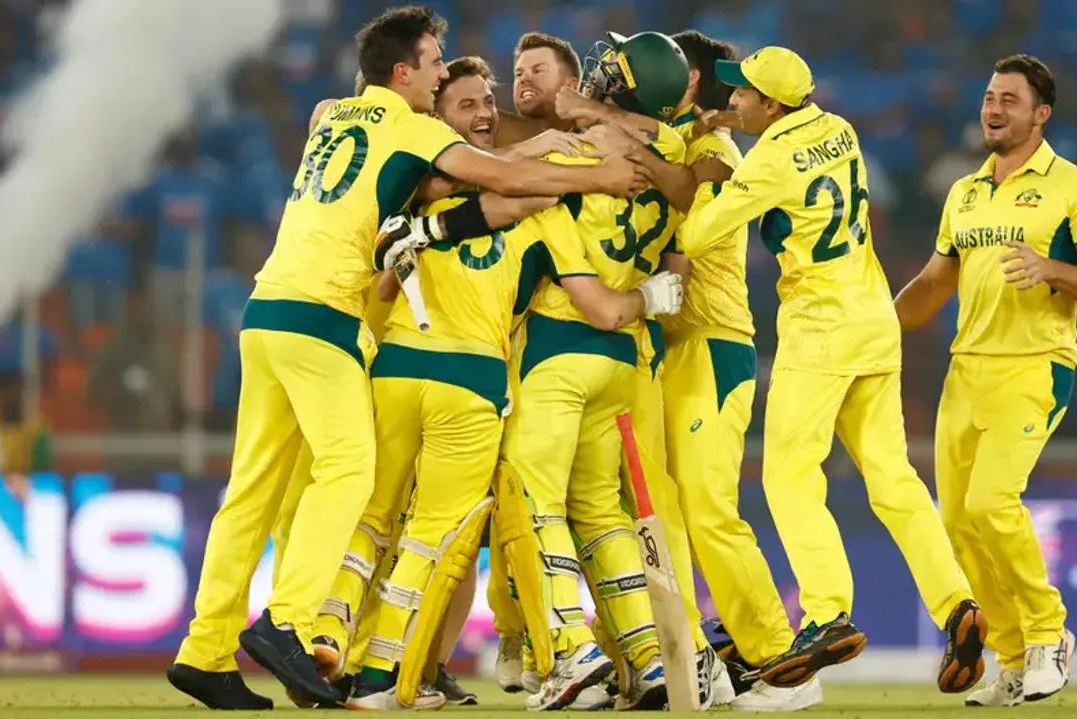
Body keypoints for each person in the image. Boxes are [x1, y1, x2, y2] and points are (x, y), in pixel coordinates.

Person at [167, 6, 647, 710]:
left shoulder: (334, 115)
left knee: (250, 492)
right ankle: (287, 622)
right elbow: (500, 180)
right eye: (432, 63)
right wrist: (597, 175)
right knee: (348, 472)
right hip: (325, 317)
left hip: (266, 311)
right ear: (402, 72)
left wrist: (539, 152)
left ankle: (205, 651)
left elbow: (455, 185)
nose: (438, 75)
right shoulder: (412, 128)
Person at [305, 54, 683, 712]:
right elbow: (577, 230)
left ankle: (331, 632)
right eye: (470, 104)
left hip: (402, 364)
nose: (486, 112)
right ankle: (384, 677)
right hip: (489, 378)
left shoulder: (412, 189)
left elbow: (387, 282)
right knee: (440, 536)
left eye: (488, 100)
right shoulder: (550, 200)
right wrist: (647, 287)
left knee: (374, 514)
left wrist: (431, 218)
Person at [674, 45, 989, 695]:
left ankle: (825, 614)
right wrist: (731, 126)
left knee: (789, 476)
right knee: (893, 477)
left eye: (743, 94)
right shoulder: (838, 129)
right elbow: (783, 144)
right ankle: (956, 602)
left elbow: (698, 235)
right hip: (874, 317)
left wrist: (699, 176)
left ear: (772, 104)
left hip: (818, 330)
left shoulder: (768, 161)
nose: (734, 98)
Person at [554, 29, 820, 712]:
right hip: (659, 346)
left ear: (686, 83)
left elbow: (694, 199)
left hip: (714, 341)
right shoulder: (670, 139)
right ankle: (683, 656)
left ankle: (782, 662)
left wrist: (603, 115)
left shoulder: (716, 148)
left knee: (705, 506)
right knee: (653, 510)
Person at [893, 54, 1077, 706]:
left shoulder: (1075, 186)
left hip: (1034, 365)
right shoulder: (965, 192)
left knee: (991, 504)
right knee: (959, 522)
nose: (993, 110)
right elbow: (934, 283)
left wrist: (1052, 269)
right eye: (989, 98)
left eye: (1009, 100)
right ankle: (1015, 658)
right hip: (965, 371)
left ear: (1040, 114)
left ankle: (1050, 635)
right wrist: (876, 329)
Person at [495, 30, 693, 712]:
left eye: (611, 64)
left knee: (534, 502)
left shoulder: (572, 154)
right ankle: (648, 656)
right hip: (620, 364)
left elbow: (498, 175)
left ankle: (570, 647)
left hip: (560, 346)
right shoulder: (669, 156)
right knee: (601, 512)